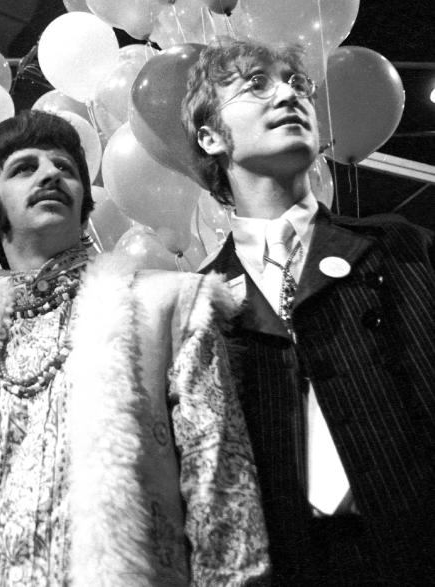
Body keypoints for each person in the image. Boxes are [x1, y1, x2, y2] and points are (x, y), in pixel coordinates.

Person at [0, 110, 268, 586]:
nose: (51, 173)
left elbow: (222, 490)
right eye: (24, 168)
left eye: (65, 167)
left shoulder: (167, 305)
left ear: (83, 204)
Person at [185, 38, 435, 584]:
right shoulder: (196, 303)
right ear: (210, 137)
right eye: (255, 83)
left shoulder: (401, 247)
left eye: (298, 84)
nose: (288, 94)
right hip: (290, 565)